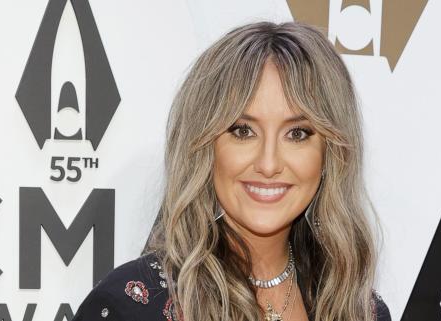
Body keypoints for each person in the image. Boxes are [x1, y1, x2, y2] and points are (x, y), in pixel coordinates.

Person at [71, 21, 391, 321]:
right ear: (204, 148)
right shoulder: (132, 306)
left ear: (330, 155)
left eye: (297, 134)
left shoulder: (361, 310)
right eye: (242, 131)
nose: (268, 164)